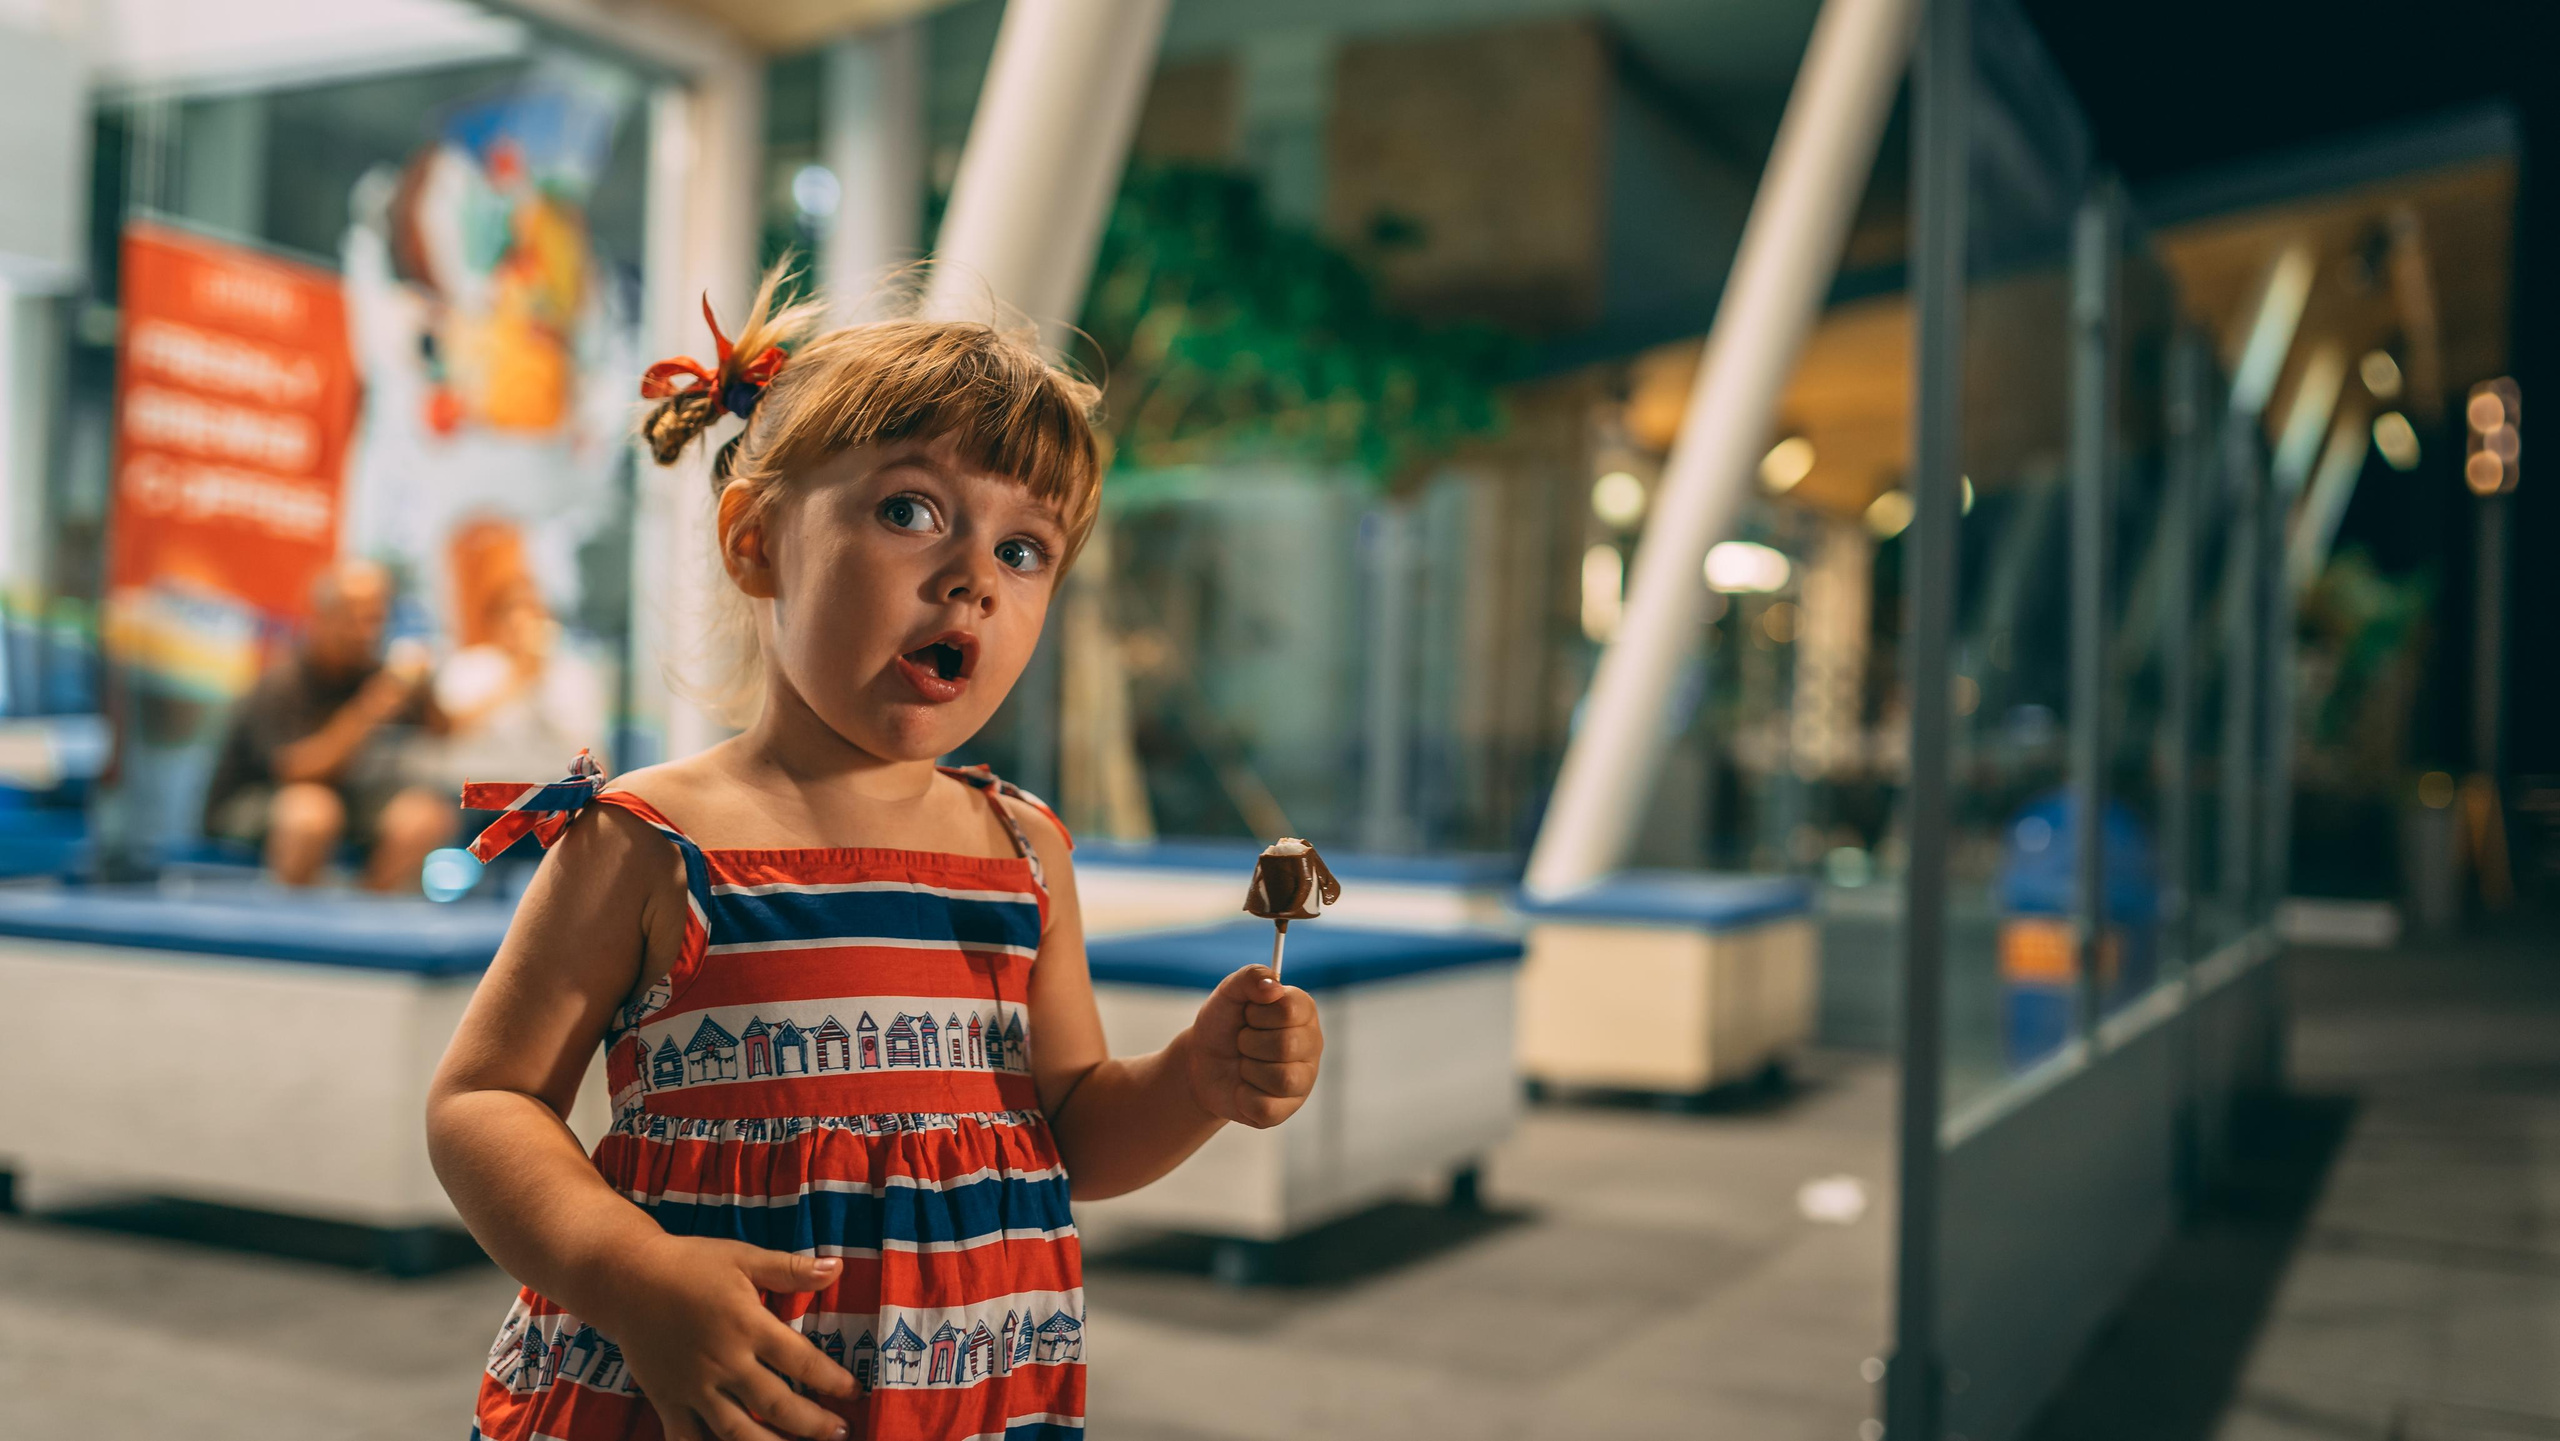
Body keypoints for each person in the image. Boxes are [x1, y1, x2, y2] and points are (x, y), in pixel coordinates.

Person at [426, 272, 1325, 1441]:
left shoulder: (1023, 850)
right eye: (911, 511)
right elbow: (484, 1101)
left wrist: (1195, 1083)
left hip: (959, 1396)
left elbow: (1069, 1127)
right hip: (692, 1393)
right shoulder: (648, 839)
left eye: (1023, 549)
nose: (971, 579)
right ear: (756, 542)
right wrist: (626, 1271)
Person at [202, 559, 456, 891]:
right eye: (353, 618)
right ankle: (288, 931)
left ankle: (368, 922)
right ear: (322, 618)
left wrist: (425, 689)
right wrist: (367, 711)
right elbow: (297, 772)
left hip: (342, 800)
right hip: (255, 804)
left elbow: (443, 732)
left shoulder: (378, 673)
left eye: (375, 618)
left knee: (425, 815)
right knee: (312, 813)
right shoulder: (283, 681)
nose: (366, 632)